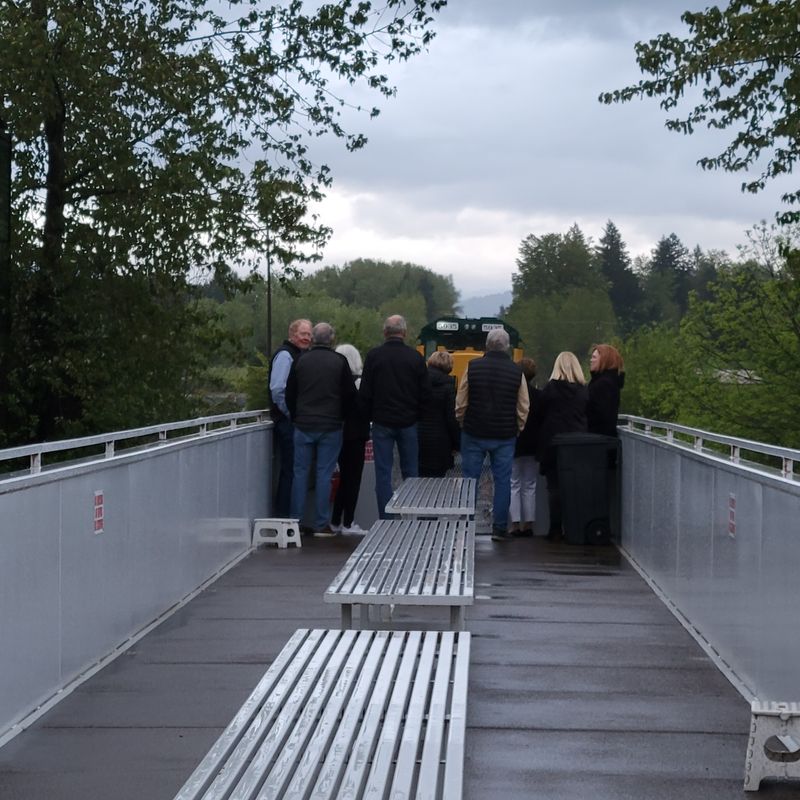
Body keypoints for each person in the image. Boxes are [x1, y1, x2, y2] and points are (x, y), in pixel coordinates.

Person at [455, 327, 529, 542]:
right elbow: (523, 405)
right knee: (503, 481)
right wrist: (518, 427)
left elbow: (461, 401)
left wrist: (462, 422)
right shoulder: (517, 372)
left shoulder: (473, 367)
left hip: (474, 432)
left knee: (470, 480)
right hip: (504, 435)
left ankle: (466, 522)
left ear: (487, 345)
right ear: (507, 346)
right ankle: (498, 528)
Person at [286, 322, 356, 536]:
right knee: (324, 474)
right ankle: (321, 524)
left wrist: (296, 416)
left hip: (303, 424)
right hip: (331, 426)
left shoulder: (300, 360)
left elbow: (290, 393)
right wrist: (341, 417)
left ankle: (294, 522)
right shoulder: (339, 361)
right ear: (332, 339)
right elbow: (350, 395)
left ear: (314, 339)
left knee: (299, 473)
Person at [359, 314, 431, 518]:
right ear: (405, 333)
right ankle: (411, 515)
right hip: (408, 422)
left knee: (383, 473)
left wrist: (367, 419)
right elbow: (425, 393)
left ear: (384, 333)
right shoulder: (415, 357)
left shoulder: (374, 356)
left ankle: (386, 517)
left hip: (382, 422)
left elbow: (365, 393)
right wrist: (418, 416)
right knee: (411, 472)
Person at [537, 351, 588, 540]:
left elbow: (540, 413)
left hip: (553, 443)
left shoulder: (550, 389)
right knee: (575, 488)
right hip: (578, 443)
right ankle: (575, 528)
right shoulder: (584, 390)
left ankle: (555, 529)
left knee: (554, 488)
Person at [269, 318, 312, 517]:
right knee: (290, 470)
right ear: (292, 335)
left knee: (294, 469)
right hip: (287, 422)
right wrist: (291, 414)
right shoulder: (286, 355)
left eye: (310, 334)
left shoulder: (298, 355)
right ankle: (284, 517)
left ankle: (289, 518)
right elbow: (278, 389)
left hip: (292, 421)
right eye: (303, 334)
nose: (307, 338)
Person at [330, 344, 370, 534]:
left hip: (336, 432)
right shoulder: (360, 382)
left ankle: (335, 519)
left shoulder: (333, 382)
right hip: (356, 435)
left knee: (341, 478)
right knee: (353, 479)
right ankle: (348, 522)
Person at [509, 357, 541, 537]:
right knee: (530, 483)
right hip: (533, 444)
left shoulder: (512, 395)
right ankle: (528, 524)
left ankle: (514, 524)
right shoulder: (539, 395)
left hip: (514, 441)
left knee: (513, 483)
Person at [418, 350, 460, 477]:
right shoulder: (448, 385)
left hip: (418, 436)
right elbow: (451, 418)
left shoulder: (417, 380)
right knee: (437, 481)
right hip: (441, 441)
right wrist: (457, 443)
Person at [587, 343, 625, 437]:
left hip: (599, 441)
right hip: (600, 440)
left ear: (604, 360)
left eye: (594, 357)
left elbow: (602, 416)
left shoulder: (604, 384)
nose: (591, 360)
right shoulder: (604, 382)